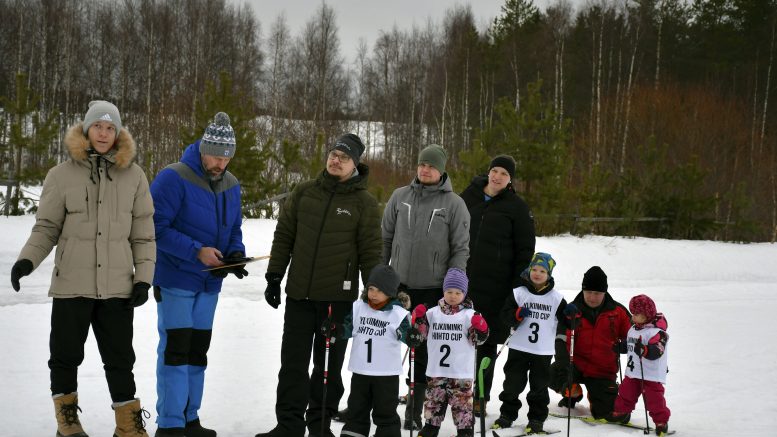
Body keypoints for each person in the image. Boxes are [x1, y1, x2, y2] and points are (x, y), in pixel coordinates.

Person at [10, 100, 155, 437]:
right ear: (87, 130)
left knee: (121, 359)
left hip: (118, 286)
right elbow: (46, 227)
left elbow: (144, 233)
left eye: (110, 128)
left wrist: (144, 279)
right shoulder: (60, 176)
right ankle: (68, 423)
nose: (104, 133)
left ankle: (127, 427)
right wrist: (26, 260)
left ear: (118, 133)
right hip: (71, 284)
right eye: (98, 126)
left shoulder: (133, 176)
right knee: (64, 357)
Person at [258, 133, 382, 437]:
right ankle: (288, 425)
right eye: (333, 153)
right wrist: (275, 276)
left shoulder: (364, 203)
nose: (335, 160)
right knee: (292, 366)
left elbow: (371, 251)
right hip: (298, 295)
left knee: (327, 369)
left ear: (355, 164)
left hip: (335, 301)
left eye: (344, 157)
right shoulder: (304, 192)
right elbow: (284, 235)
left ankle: (320, 426)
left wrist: (374, 292)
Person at [150, 112, 246, 437]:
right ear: (203, 149)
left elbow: (234, 228)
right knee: (176, 350)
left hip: (209, 284)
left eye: (227, 156)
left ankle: (190, 418)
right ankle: (170, 424)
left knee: (197, 352)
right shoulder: (172, 178)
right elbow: (153, 227)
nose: (221, 162)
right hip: (176, 278)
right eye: (216, 155)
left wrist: (234, 253)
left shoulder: (231, 185)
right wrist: (196, 251)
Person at [381, 144, 471, 430]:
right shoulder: (399, 196)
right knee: (389, 344)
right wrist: (379, 278)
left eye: (431, 165)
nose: (425, 169)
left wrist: (453, 289)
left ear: (442, 169)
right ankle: (382, 403)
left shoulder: (454, 204)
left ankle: (414, 409)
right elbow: (384, 238)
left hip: (433, 291)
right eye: (421, 164)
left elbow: (460, 248)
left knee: (422, 353)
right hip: (399, 287)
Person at [459, 155, 535, 415]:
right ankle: (450, 391)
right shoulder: (468, 196)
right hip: (461, 283)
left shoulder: (516, 208)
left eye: (504, 173)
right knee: (454, 337)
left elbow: (525, 251)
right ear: (488, 172)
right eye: (495, 170)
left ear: (510, 178)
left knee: (485, 343)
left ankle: (480, 396)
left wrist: (517, 287)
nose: (498, 176)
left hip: (496, 287)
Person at [492, 253, 568, 433]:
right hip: (519, 347)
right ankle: (507, 415)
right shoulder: (519, 293)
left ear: (549, 274)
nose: (537, 273)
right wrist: (515, 315)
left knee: (539, 387)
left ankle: (536, 418)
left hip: (542, 351)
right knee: (512, 383)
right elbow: (505, 315)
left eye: (542, 270)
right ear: (529, 270)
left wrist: (573, 316)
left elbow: (568, 321)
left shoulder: (556, 299)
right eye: (534, 269)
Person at [407, 268, 488, 437]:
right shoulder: (432, 313)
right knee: (434, 401)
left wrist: (481, 327)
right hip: (437, 370)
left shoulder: (469, 315)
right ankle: (431, 427)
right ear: (443, 291)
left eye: (458, 292)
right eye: (449, 291)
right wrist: (417, 319)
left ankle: (465, 430)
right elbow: (419, 336)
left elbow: (478, 340)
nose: (453, 296)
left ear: (464, 293)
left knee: (462, 404)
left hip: (460, 372)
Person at [548, 266, 631, 419]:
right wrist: (565, 371)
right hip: (575, 366)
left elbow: (635, 336)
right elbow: (560, 340)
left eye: (597, 293)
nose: (592, 297)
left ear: (604, 292)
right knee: (548, 371)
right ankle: (573, 392)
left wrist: (627, 346)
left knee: (606, 413)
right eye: (588, 292)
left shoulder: (618, 312)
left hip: (603, 371)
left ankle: (598, 397)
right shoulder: (571, 311)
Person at [338, 264, 412, 437]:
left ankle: (388, 433)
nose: (374, 294)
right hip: (361, 370)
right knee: (357, 406)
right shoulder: (359, 307)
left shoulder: (397, 313)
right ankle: (353, 432)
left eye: (379, 290)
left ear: (390, 292)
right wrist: (337, 330)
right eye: (371, 289)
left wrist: (411, 337)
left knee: (385, 409)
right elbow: (349, 327)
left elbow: (405, 334)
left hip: (386, 374)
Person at [609, 294, 670, 435]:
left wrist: (645, 350)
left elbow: (658, 350)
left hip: (651, 375)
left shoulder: (657, 333)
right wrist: (621, 347)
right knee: (625, 392)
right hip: (633, 371)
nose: (633, 317)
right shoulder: (634, 329)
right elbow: (629, 344)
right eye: (633, 314)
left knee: (654, 399)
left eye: (637, 314)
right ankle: (622, 412)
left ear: (647, 315)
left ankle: (661, 421)